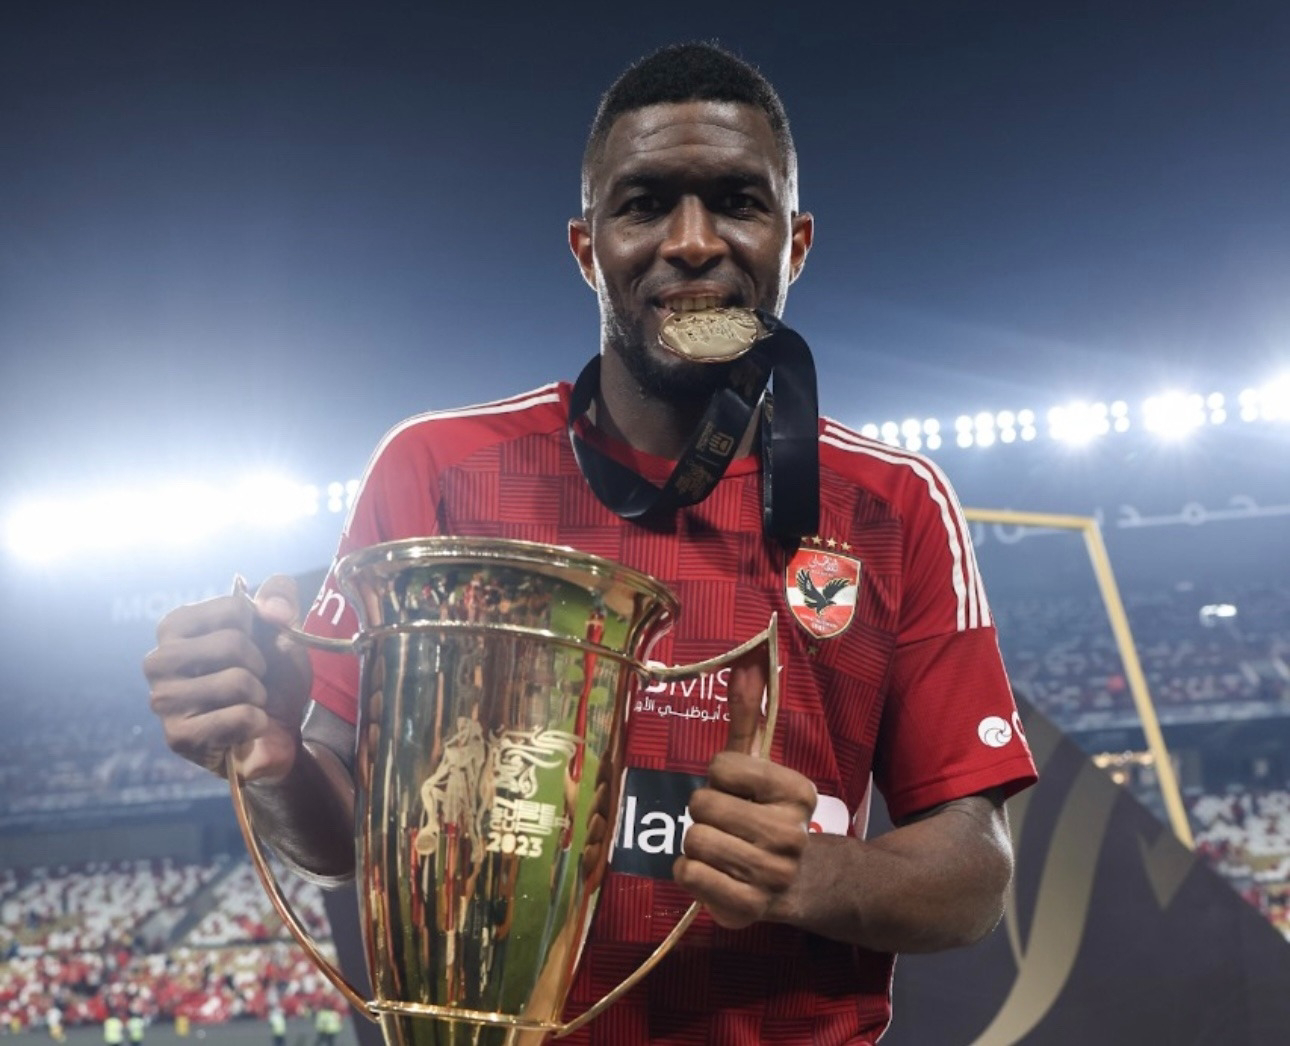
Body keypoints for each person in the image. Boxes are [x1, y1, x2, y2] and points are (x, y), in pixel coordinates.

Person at [144, 42, 1037, 1044]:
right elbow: (344, 838)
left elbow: (975, 870)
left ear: (795, 244)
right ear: (586, 248)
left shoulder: (893, 504)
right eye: (644, 204)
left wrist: (821, 875)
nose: (691, 242)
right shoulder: (436, 471)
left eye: (738, 202)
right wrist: (274, 760)